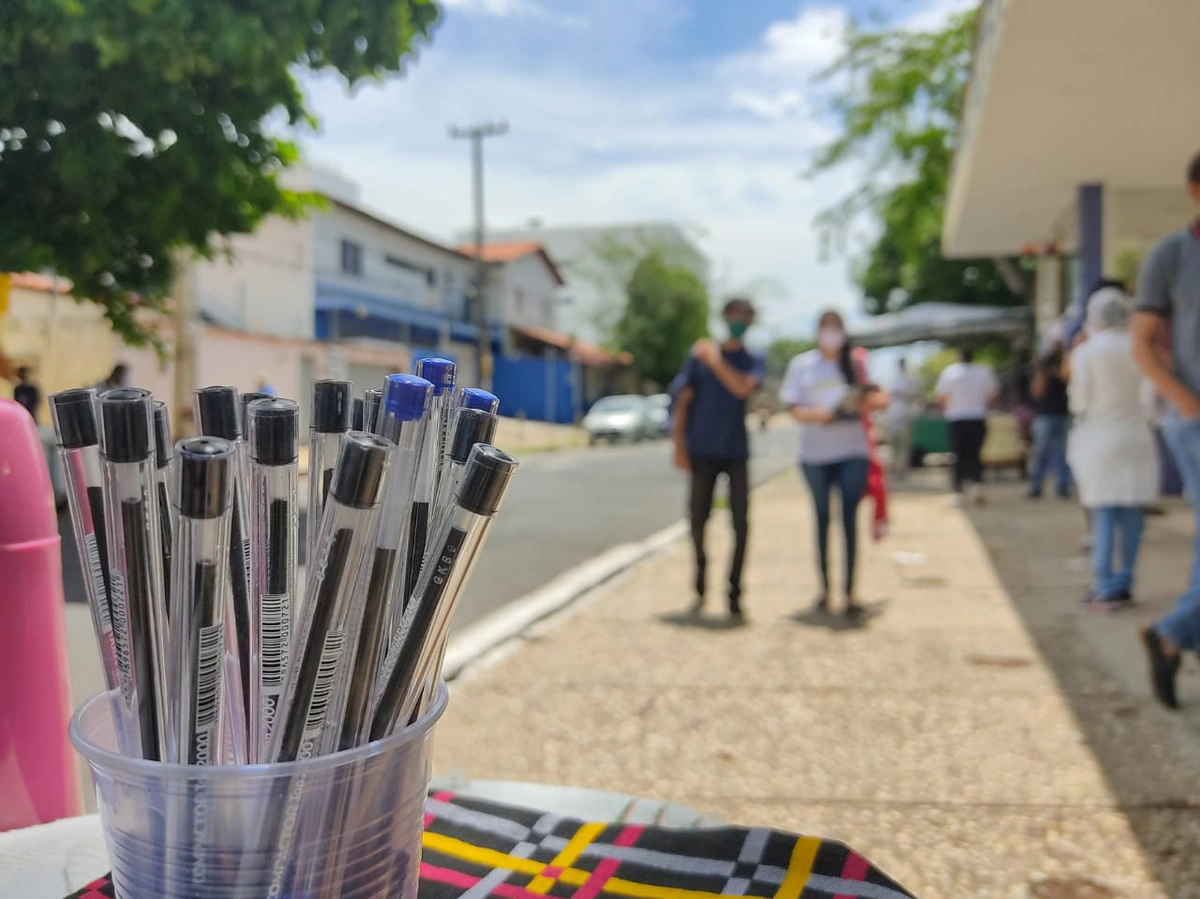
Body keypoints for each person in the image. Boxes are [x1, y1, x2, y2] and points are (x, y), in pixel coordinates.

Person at [1132, 150, 1200, 708]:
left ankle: (1175, 636)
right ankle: (1177, 636)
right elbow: (1143, 342)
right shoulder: (1172, 256)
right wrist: (1184, 401)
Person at [780, 310, 886, 617]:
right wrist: (823, 415)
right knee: (822, 519)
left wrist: (861, 403)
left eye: (835, 328)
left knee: (849, 519)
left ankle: (850, 592)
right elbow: (794, 408)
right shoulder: (802, 365)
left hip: (852, 451)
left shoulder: (857, 363)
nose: (830, 334)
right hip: (815, 454)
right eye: (825, 328)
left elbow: (880, 397)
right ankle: (824, 589)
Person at [672, 298, 765, 622]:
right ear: (725, 317)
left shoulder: (752, 359)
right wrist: (678, 445)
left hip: (735, 451)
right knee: (697, 520)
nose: (738, 320)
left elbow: (742, 389)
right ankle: (700, 581)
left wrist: (715, 361)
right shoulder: (699, 357)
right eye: (734, 315)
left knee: (741, 524)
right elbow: (683, 400)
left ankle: (734, 593)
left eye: (744, 315)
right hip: (702, 450)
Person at [1067, 288, 1159, 612]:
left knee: (1103, 513)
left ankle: (1104, 584)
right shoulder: (1139, 347)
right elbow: (1151, 398)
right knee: (1132, 512)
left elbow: (1079, 401)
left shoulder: (1086, 353)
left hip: (1099, 436)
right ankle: (1124, 582)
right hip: (1137, 435)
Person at [935, 348, 997, 505]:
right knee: (975, 454)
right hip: (977, 417)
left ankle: (958, 489)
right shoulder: (983, 372)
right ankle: (977, 485)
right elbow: (992, 395)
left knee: (958, 455)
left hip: (957, 418)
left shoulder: (950, 372)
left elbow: (941, 397)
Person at [1026, 343, 1072, 499]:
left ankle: (1062, 487)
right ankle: (1035, 487)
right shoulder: (1042, 371)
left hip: (1063, 415)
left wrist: (1058, 372)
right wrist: (1042, 370)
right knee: (1040, 453)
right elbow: (1037, 392)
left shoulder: (1066, 366)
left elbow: (1070, 382)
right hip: (1044, 416)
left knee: (1064, 454)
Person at [888, 358, 920, 477]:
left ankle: (903, 466)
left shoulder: (910, 379)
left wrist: (901, 395)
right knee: (894, 441)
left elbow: (913, 396)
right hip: (894, 414)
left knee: (904, 442)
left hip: (906, 413)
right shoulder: (894, 379)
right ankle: (894, 465)